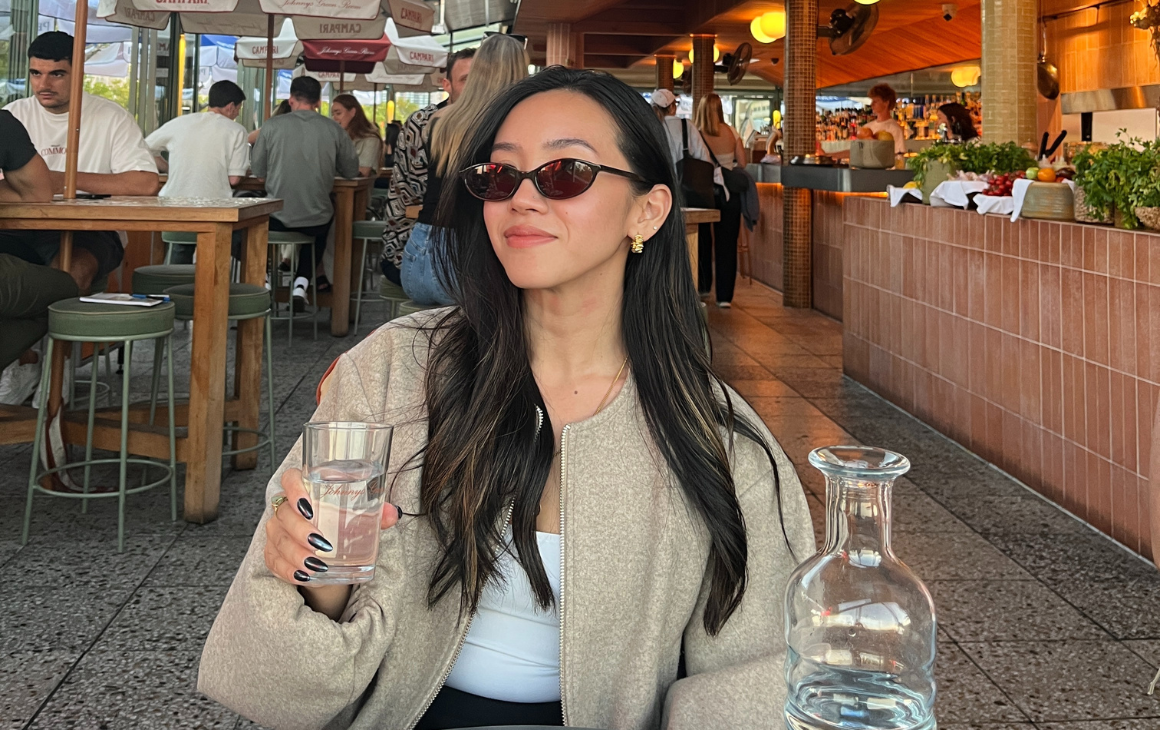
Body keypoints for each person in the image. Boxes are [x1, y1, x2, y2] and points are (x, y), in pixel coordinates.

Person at [198, 66, 813, 730]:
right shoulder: (393, 372)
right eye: (499, 176)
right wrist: (319, 584)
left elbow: (760, 680)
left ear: (648, 209)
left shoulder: (715, 440)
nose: (522, 198)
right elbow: (273, 679)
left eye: (566, 172)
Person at [1, 31, 160, 294]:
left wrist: (60, 180)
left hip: (91, 229)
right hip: (19, 226)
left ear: (80, 72)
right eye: (36, 73)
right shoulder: (13, 116)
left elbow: (146, 183)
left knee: (70, 272)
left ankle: (50, 326)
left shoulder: (112, 117)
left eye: (57, 74)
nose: (44, 84)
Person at [402, 35, 527, 305]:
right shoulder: (511, 124)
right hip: (466, 258)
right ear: (519, 70)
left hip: (420, 250)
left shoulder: (441, 119)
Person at [250, 76, 359, 310]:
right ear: (318, 102)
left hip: (277, 219)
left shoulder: (271, 126)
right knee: (322, 224)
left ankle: (264, 278)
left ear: (291, 99)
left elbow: (258, 173)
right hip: (316, 221)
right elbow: (351, 171)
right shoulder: (334, 129)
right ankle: (301, 283)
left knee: (247, 228)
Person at [379, 47, 475, 288]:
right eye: (465, 80)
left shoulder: (489, 122)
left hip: (461, 250)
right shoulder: (423, 123)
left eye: (480, 80)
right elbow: (420, 196)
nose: (475, 88)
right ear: (447, 85)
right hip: (411, 248)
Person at [0, 110, 78, 401]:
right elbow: (36, 193)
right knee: (67, 291)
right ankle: (32, 364)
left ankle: (24, 365)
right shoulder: (4, 124)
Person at [694, 92, 746, 308]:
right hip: (729, 193)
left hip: (704, 192)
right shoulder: (732, 132)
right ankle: (724, 297)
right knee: (727, 244)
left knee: (703, 240)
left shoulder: (696, 134)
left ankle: (704, 289)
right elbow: (742, 162)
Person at [331, 93, 383, 178]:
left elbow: (364, 171)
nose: (334, 118)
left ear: (352, 112)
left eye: (338, 113)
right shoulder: (336, 138)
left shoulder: (371, 139)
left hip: (357, 189)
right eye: (333, 114)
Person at [857, 83, 907, 156]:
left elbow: (898, 156)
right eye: (872, 101)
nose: (872, 104)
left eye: (875, 101)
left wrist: (873, 143)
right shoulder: (867, 127)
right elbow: (857, 151)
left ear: (886, 103)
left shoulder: (894, 129)